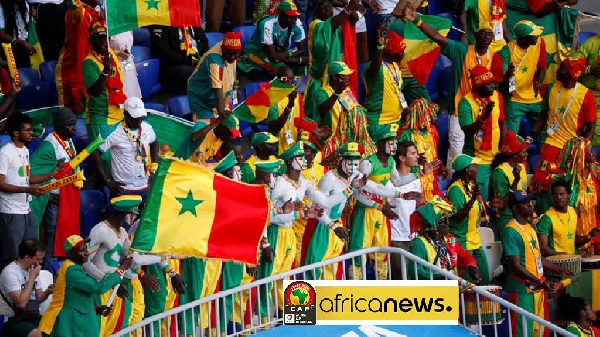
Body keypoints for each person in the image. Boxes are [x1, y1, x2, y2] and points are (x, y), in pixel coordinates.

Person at [404, 5, 505, 173]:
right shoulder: (462, 50)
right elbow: (439, 38)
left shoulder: (495, 57)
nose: (487, 37)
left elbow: (496, 87)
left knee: (481, 150)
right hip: (460, 106)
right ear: (475, 36)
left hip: (484, 109)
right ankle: (453, 179)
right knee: (457, 148)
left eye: (490, 33)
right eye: (483, 33)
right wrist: (418, 21)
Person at [84, 195, 156, 336]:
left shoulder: (122, 232)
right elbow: (85, 262)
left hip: (116, 285)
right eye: (131, 215)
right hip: (99, 288)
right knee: (100, 329)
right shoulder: (100, 230)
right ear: (125, 214)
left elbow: (134, 258)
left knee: (121, 327)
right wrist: (107, 281)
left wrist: (159, 258)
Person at [502, 190, 571, 337]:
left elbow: (537, 259)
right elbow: (515, 265)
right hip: (522, 290)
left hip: (538, 288)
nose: (530, 204)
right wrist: (540, 281)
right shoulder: (510, 230)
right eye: (524, 202)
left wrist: (560, 270)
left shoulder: (530, 227)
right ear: (515, 208)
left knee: (540, 331)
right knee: (523, 331)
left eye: (530, 201)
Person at [38, 235, 132, 337]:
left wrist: (96, 309)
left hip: (72, 323)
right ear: (70, 254)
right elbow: (98, 288)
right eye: (82, 250)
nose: (86, 253)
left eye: (86, 249)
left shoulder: (75, 267)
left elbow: (76, 296)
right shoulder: (71, 270)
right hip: (64, 325)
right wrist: (120, 270)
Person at [532, 58, 596, 200]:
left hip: (570, 148)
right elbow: (543, 116)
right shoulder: (551, 88)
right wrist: (531, 135)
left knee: (564, 186)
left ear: (572, 74)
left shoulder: (586, 95)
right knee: (542, 182)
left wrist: (583, 147)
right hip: (549, 143)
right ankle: (543, 213)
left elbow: (591, 125)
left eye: (562, 69)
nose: (557, 71)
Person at [350, 124, 404, 280]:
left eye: (395, 142)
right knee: (359, 252)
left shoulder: (392, 163)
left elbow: (398, 182)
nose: (394, 146)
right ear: (380, 144)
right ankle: (355, 292)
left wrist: (419, 172)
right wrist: (378, 205)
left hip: (381, 212)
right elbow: (356, 190)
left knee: (382, 254)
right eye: (390, 142)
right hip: (366, 212)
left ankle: (382, 288)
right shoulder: (368, 164)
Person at [29, 107, 78, 271]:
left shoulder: (68, 140)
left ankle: (57, 268)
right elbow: (30, 173)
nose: (74, 128)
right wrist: (47, 194)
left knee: (62, 236)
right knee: (52, 236)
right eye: (70, 125)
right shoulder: (49, 146)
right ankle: (47, 271)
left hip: (66, 198)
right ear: (60, 126)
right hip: (53, 200)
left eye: (74, 124)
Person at [0, 113, 50, 265]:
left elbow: (27, 178)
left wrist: (52, 175)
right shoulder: (5, 153)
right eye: (27, 130)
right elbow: (1, 184)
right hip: (11, 211)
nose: (31, 133)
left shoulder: (25, 151)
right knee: (14, 255)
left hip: (26, 209)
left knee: (31, 253)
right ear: (16, 133)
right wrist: (28, 190)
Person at [388, 141, 439, 279]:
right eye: (413, 153)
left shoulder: (416, 180)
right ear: (402, 158)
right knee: (400, 282)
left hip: (413, 238)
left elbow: (416, 207)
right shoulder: (390, 181)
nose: (417, 156)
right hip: (396, 239)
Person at [304, 0, 362, 119]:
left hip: (335, 79)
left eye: (329, 5)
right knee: (317, 117)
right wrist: (347, 9)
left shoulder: (336, 25)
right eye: (321, 5)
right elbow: (329, 26)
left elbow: (354, 18)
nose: (325, 7)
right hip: (319, 81)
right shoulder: (315, 25)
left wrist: (347, 5)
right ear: (315, 10)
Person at [92, 97, 158, 198]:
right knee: (122, 214)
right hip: (123, 189)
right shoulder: (113, 131)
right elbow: (95, 152)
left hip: (145, 186)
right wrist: (107, 180)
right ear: (125, 114)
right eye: (134, 117)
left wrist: (154, 167)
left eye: (140, 117)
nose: (138, 120)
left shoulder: (147, 127)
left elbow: (154, 143)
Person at [458, 64, 507, 201]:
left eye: (492, 82)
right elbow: (467, 131)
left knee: (501, 196)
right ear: (478, 87)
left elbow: (502, 122)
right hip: (477, 159)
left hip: (496, 155)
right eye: (488, 84)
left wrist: (505, 147)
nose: (493, 86)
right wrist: (483, 117)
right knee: (481, 201)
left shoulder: (497, 96)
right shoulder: (466, 102)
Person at [409, 198, 481, 282]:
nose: (447, 224)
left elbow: (465, 257)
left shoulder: (449, 240)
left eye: (447, 220)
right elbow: (414, 270)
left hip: (452, 287)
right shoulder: (419, 243)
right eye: (442, 222)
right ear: (432, 226)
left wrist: (471, 267)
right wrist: (438, 278)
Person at [55, 0, 104, 116]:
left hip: (90, 65)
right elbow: (75, 5)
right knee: (73, 113)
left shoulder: (95, 14)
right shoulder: (78, 12)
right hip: (73, 68)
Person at [447, 154, 490, 284]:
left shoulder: (471, 186)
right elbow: (457, 217)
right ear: (467, 170)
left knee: (485, 279)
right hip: (462, 242)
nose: (478, 168)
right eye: (474, 166)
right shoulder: (455, 190)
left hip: (475, 241)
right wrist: (472, 200)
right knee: (469, 284)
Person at [82, 22, 126, 141]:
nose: (102, 43)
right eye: (98, 39)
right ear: (92, 41)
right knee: (104, 157)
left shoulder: (111, 53)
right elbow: (95, 91)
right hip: (101, 118)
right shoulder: (89, 63)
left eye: (104, 39)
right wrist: (106, 70)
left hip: (118, 115)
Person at [0, 239, 52, 337]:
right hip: (12, 319)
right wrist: (31, 278)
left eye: (42, 259)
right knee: (37, 334)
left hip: (32, 315)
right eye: (38, 259)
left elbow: (39, 298)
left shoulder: (33, 269)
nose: (41, 262)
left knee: (56, 327)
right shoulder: (10, 272)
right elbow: (21, 304)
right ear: (27, 257)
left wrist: (47, 292)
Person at [238, 1, 306, 75]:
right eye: (290, 16)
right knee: (286, 72)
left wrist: (287, 55)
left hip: (278, 51)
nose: (294, 20)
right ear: (281, 15)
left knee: (305, 68)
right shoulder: (267, 24)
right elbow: (273, 57)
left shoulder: (297, 23)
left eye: (295, 16)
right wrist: (299, 60)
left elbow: (301, 50)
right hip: (256, 52)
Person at [187, 31, 241, 121]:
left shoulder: (231, 48)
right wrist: (221, 112)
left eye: (235, 54)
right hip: (201, 97)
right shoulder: (214, 60)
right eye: (229, 53)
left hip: (219, 99)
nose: (232, 57)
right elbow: (217, 88)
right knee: (208, 130)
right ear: (222, 48)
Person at [537, 179, 600, 256]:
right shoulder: (547, 218)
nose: (558, 197)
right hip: (557, 264)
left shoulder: (573, 212)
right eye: (555, 194)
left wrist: (590, 235)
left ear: (569, 195)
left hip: (573, 262)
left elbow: (576, 242)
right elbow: (543, 249)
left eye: (562, 194)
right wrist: (566, 256)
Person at [504, 21, 546, 135]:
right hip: (514, 98)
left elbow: (542, 67)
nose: (537, 37)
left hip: (534, 96)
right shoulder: (507, 50)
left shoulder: (540, 42)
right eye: (534, 36)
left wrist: (539, 82)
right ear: (523, 38)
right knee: (511, 136)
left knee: (546, 131)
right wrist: (506, 75)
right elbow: (502, 74)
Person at [364, 29, 407, 136]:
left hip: (396, 122)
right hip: (379, 123)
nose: (403, 54)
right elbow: (374, 70)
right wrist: (380, 48)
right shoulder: (375, 67)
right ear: (392, 52)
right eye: (401, 51)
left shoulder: (396, 66)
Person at [397, 99, 443, 200]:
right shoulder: (407, 134)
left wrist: (439, 166)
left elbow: (434, 152)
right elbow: (400, 159)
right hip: (414, 179)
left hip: (430, 176)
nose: (425, 121)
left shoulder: (432, 131)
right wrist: (416, 162)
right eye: (421, 118)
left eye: (426, 116)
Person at [149, 25, 208, 95]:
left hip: (196, 62)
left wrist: (203, 60)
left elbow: (204, 44)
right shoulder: (160, 24)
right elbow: (165, 54)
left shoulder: (192, 22)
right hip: (172, 66)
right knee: (196, 74)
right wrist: (192, 61)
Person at [490, 131, 529, 233]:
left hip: (523, 212)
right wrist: (515, 180)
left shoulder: (522, 166)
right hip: (507, 216)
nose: (527, 154)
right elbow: (504, 200)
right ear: (514, 155)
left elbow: (523, 191)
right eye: (524, 152)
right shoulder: (499, 172)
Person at [174, 113, 242, 163]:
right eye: (229, 133)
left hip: (195, 171)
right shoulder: (202, 126)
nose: (231, 137)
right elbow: (194, 138)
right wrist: (217, 121)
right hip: (180, 163)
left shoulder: (220, 141)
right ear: (222, 127)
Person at [267, 66, 304, 154]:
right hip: (277, 148)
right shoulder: (272, 99)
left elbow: (301, 120)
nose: (290, 83)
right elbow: (275, 127)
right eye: (286, 80)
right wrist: (290, 105)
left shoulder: (297, 96)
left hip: (294, 146)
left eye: (292, 79)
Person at [574, 34, 600, 149]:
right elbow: (572, 64)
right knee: (589, 134)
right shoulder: (591, 43)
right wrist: (589, 70)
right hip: (588, 95)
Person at [0, 0, 35, 68]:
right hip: (9, 48)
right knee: (15, 76)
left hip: (25, 47)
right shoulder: (2, 8)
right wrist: (22, 43)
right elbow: (1, 35)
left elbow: (28, 28)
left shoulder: (24, 5)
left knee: (27, 73)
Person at [110, 31, 142, 99]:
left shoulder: (128, 26)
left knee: (132, 96)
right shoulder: (109, 26)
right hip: (116, 64)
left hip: (129, 64)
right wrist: (118, 53)